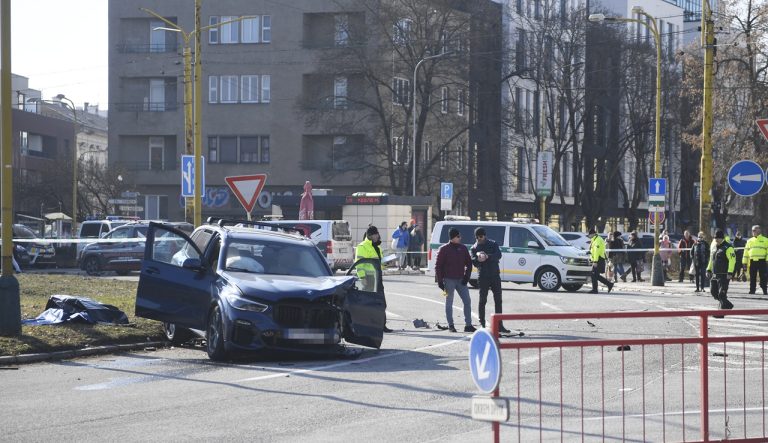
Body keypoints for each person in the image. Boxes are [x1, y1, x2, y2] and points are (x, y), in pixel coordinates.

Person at [434, 228, 475, 333]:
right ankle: (451, 325)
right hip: (448, 280)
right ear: (453, 237)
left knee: (467, 301)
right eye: (458, 236)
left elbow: (469, 264)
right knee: (449, 302)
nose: (460, 238)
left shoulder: (463, 248)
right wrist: (440, 282)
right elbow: (438, 266)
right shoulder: (444, 249)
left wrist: (467, 277)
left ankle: (468, 325)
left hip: (461, 280)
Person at [470, 227, 510, 333]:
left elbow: (499, 255)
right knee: (482, 300)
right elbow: (473, 261)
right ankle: (482, 323)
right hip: (483, 276)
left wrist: (488, 256)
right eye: (477, 237)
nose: (479, 238)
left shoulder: (493, 244)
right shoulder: (474, 247)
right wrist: (477, 259)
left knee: (498, 300)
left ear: (484, 235)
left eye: (481, 236)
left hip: (495, 275)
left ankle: (499, 325)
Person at [356, 225, 393, 333]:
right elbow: (359, 264)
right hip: (368, 278)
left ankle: (382, 326)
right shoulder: (362, 246)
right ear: (370, 235)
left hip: (378, 277)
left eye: (377, 234)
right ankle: (368, 326)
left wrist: (386, 264)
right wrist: (362, 277)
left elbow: (380, 263)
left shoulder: (377, 247)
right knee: (369, 304)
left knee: (381, 303)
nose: (378, 236)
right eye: (376, 234)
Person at [707, 229, 735, 313]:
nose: (716, 239)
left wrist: (730, 272)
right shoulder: (715, 247)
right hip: (715, 274)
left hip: (724, 275)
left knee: (721, 294)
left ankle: (720, 313)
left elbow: (732, 260)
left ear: (722, 238)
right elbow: (712, 260)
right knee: (713, 292)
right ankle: (728, 305)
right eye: (715, 238)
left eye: (718, 238)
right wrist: (708, 269)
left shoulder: (728, 247)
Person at [743, 224, 768, 295]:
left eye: (754, 230)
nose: (753, 232)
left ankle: (764, 290)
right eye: (752, 230)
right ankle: (752, 290)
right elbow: (745, 253)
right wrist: (744, 263)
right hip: (752, 261)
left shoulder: (766, 240)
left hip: (762, 261)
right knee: (752, 277)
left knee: (763, 277)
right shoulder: (749, 241)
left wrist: (767, 260)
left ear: (759, 230)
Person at [588, 228, 614, 293]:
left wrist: (595, 261)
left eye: (590, 235)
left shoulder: (598, 240)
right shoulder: (595, 239)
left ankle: (596, 289)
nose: (589, 236)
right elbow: (594, 250)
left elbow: (597, 251)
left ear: (593, 234)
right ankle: (608, 285)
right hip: (597, 259)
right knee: (595, 275)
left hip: (598, 260)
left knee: (594, 274)